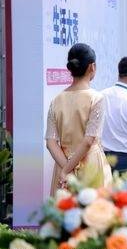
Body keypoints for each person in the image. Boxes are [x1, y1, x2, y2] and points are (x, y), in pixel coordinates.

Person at [45, 43, 112, 195]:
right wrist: (69, 170)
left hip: (62, 162)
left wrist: (66, 170)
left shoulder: (56, 100)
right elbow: (88, 141)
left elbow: (50, 143)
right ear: (92, 67)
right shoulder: (96, 98)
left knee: (65, 207)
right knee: (94, 208)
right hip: (90, 165)